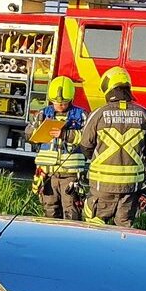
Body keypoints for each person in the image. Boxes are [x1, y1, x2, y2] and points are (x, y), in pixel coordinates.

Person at [77, 66, 146, 227]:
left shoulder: (98, 114)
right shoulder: (144, 114)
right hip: (131, 186)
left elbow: (86, 145)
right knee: (124, 229)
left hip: (102, 185)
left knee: (95, 226)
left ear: (108, 90)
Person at [30, 76, 88, 220]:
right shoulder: (42, 114)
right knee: (50, 211)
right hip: (47, 173)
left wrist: (66, 134)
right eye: (56, 103)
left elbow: (89, 139)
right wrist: (37, 131)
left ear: (71, 99)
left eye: (64, 103)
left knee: (72, 211)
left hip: (71, 173)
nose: (60, 105)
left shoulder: (81, 115)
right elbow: (28, 134)